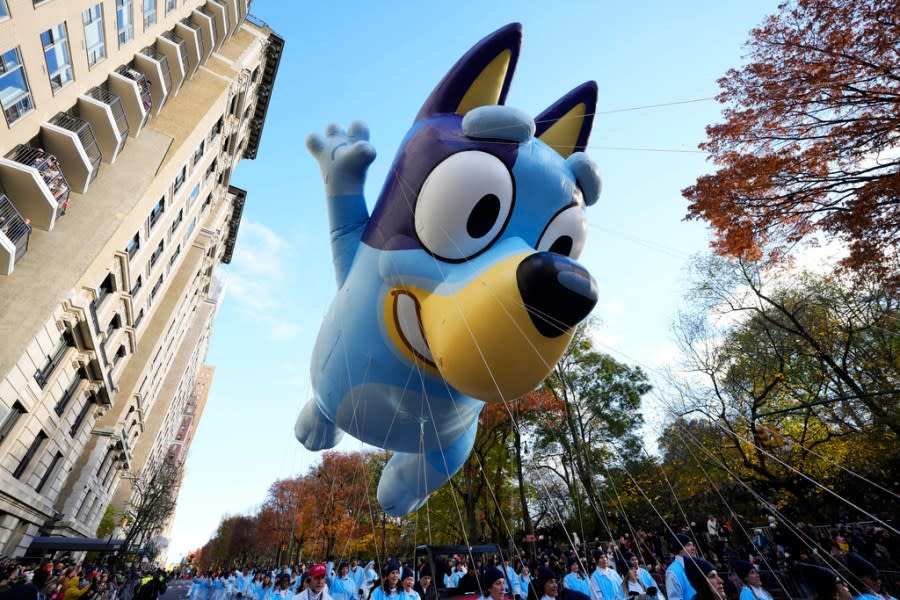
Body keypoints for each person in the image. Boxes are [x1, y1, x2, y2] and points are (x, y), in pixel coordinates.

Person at [665, 535, 697, 600]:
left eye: (693, 545)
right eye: (688, 545)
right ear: (680, 549)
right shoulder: (672, 572)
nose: (693, 548)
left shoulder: (698, 565)